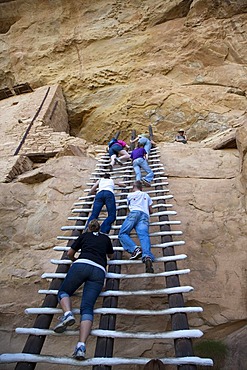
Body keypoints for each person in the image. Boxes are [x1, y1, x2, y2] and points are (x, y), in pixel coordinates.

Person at [54, 219, 114, 360]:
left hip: (82, 264)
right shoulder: (105, 238)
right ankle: (81, 346)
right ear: (99, 228)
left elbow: (69, 253)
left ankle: (68, 313)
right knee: (87, 308)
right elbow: (110, 256)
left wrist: (75, 260)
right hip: (99, 270)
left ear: (88, 228)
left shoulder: (84, 236)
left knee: (64, 292)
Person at [118, 180, 155, 273]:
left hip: (134, 213)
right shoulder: (146, 195)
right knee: (144, 236)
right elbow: (151, 210)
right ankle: (147, 257)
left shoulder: (130, 195)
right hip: (144, 216)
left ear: (133, 187)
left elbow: (128, 207)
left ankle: (135, 249)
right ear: (141, 188)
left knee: (122, 233)